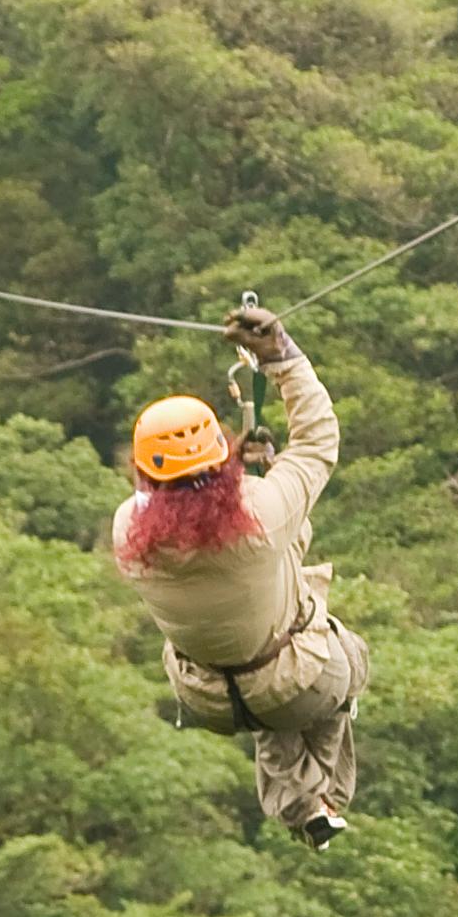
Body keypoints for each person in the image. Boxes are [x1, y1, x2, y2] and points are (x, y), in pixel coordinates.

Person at [110, 303, 366, 844]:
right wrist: (284, 358)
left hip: (207, 697)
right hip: (302, 681)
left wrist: (235, 473)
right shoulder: (263, 512)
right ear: (218, 456)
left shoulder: (127, 534)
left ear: (140, 470)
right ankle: (325, 794)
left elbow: (175, 505)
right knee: (335, 656)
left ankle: (302, 805)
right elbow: (318, 444)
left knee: (261, 670)